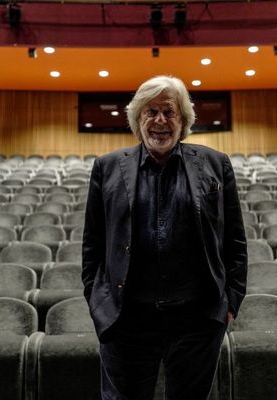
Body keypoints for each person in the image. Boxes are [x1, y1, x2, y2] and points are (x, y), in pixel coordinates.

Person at [82, 75, 247, 400]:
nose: (160, 120)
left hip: (196, 319)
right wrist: (96, 299)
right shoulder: (107, 167)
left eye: (169, 112)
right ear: (137, 118)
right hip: (127, 318)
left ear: (183, 120)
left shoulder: (216, 164)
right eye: (151, 111)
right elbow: (93, 244)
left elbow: (234, 241)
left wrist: (231, 301)